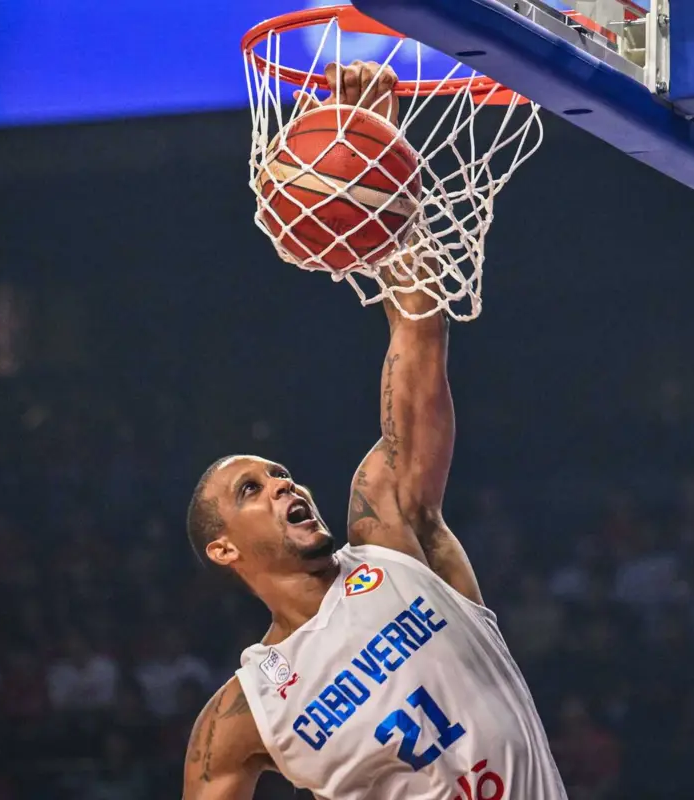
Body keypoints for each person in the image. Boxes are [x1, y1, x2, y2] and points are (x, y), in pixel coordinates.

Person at [181, 61, 566, 800]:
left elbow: (418, 340)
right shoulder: (243, 712)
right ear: (223, 547)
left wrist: (376, 164)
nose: (282, 483)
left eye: (276, 472)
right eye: (250, 489)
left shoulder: (391, 533)